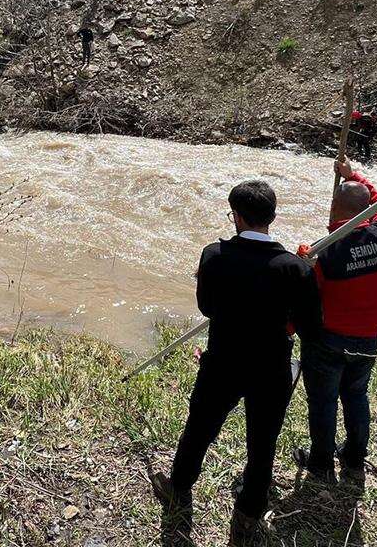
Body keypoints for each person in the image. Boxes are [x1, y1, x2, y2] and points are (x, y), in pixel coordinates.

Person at [153, 181, 321, 544]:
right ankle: (247, 516)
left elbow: (207, 308)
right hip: (272, 368)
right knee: (263, 445)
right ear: (272, 217)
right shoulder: (296, 269)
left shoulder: (214, 255)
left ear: (237, 217)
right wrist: (306, 276)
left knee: (199, 428)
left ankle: (178, 487)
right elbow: (311, 327)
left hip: (223, 363)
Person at [296, 159, 377, 484]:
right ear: (366, 211)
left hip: (329, 340)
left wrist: (303, 262)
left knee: (323, 400)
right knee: (356, 396)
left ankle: (321, 464)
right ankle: (355, 459)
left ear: (333, 209)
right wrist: (355, 175)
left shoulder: (325, 254)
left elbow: (307, 298)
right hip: (369, 339)